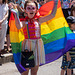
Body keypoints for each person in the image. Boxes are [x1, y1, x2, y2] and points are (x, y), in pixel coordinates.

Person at [11, 0, 58, 75]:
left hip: (37, 45)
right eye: (28, 8)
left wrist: (55, 3)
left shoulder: (38, 20)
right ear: (25, 10)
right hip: (27, 46)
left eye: (33, 8)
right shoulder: (24, 22)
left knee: (34, 71)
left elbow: (52, 15)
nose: (31, 10)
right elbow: (18, 26)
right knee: (25, 71)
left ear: (36, 10)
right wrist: (16, 15)